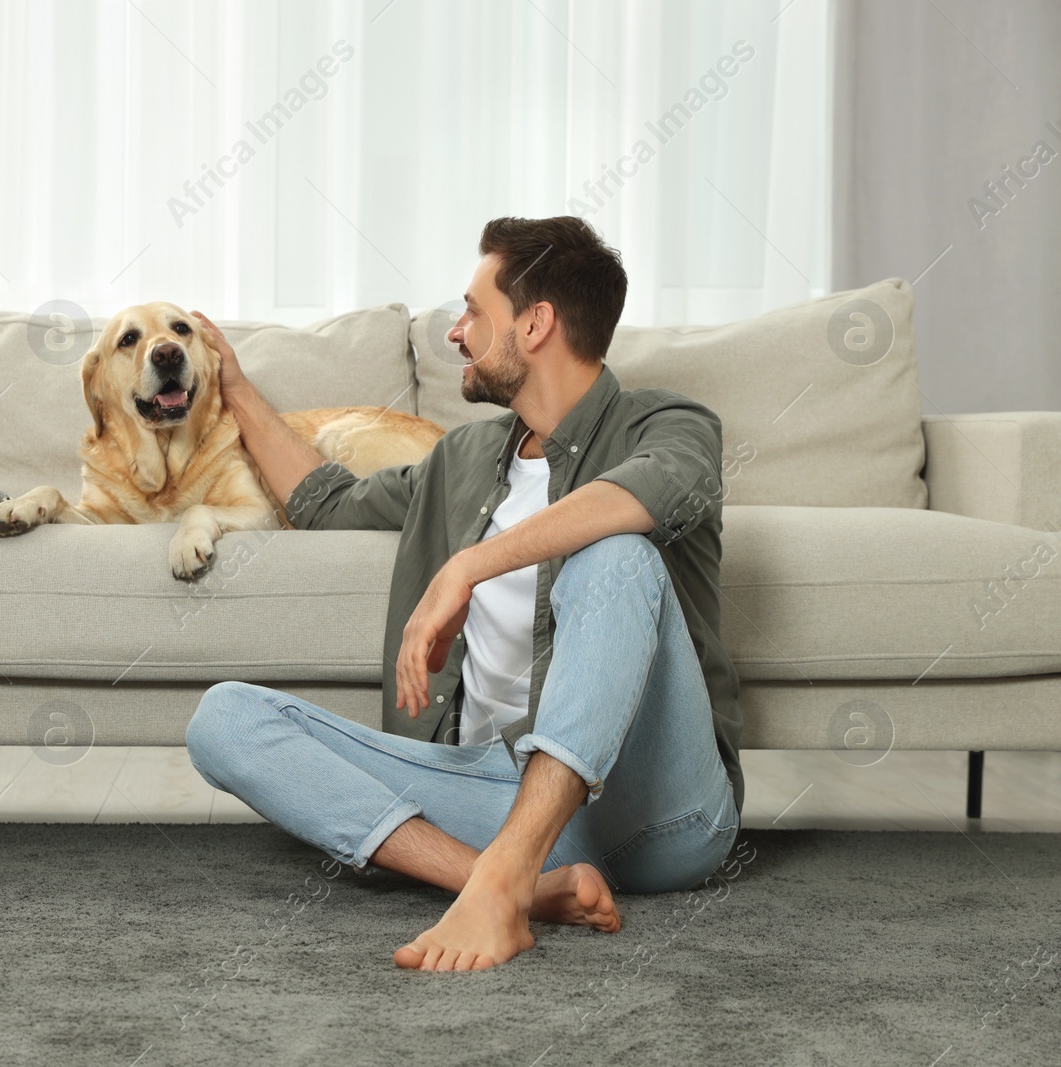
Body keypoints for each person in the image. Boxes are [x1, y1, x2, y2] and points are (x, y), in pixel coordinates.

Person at [183, 215, 745, 972]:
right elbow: (325, 501)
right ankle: (517, 884)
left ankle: (502, 876)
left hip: (662, 808)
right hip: (502, 794)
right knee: (224, 717)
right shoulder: (465, 459)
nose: (456, 331)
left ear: (537, 323)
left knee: (615, 555)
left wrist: (466, 566)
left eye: (475, 311)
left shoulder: (669, 424)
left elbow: (642, 496)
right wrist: (235, 388)